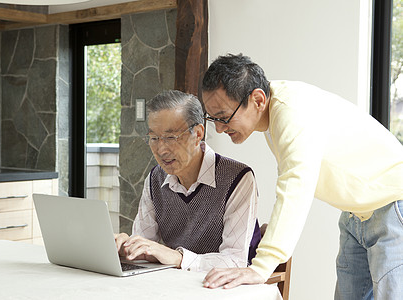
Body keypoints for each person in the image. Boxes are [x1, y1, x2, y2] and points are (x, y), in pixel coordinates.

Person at [201, 53, 403, 299]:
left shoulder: (291, 112)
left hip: (393, 207)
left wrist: (261, 267)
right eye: (213, 119)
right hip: (355, 215)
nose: (220, 129)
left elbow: (295, 188)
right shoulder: (274, 113)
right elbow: (290, 176)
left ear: (257, 99)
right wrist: (272, 234)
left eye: (223, 117)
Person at [114, 90, 261, 272]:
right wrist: (126, 247)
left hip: (230, 288)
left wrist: (179, 258)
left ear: (198, 134)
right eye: (154, 138)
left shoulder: (237, 178)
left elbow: (235, 260)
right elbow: (144, 243)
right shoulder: (155, 179)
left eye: (170, 137)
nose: (161, 150)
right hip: (178, 284)